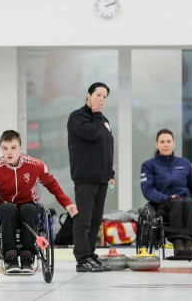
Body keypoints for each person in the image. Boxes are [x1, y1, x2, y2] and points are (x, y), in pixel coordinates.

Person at [0, 130, 78, 273]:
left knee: (28, 208)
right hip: (2, 209)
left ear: (21, 148)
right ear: (1, 148)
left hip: (29, 206)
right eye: (5, 148)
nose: (9, 152)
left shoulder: (35, 165)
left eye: (13, 148)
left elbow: (52, 184)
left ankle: (28, 257)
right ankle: (10, 258)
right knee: (9, 208)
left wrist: (67, 203)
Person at [67, 82, 115, 273]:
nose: (101, 99)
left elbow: (107, 147)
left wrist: (110, 173)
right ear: (88, 95)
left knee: (95, 221)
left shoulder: (103, 119)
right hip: (85, 177)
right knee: (83, 221)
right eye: (98, 95)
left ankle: (90, 255)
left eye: (104, 97)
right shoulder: (77, 117)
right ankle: (82, 259)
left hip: (102, 178)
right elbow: (92, 134)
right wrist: (96, 114)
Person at [141, 129, 192, 257]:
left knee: (190, 203)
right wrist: (167, 198)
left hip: (183, 202)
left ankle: (190, 243)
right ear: (157, 145)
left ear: (174, 143)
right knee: (176, 203)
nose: (165, 144)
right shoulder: (148, 165)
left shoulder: (184, 163)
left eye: (168, 141)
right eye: (162, 142)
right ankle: (178, 243)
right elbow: (147, 190)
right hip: (162, 204)